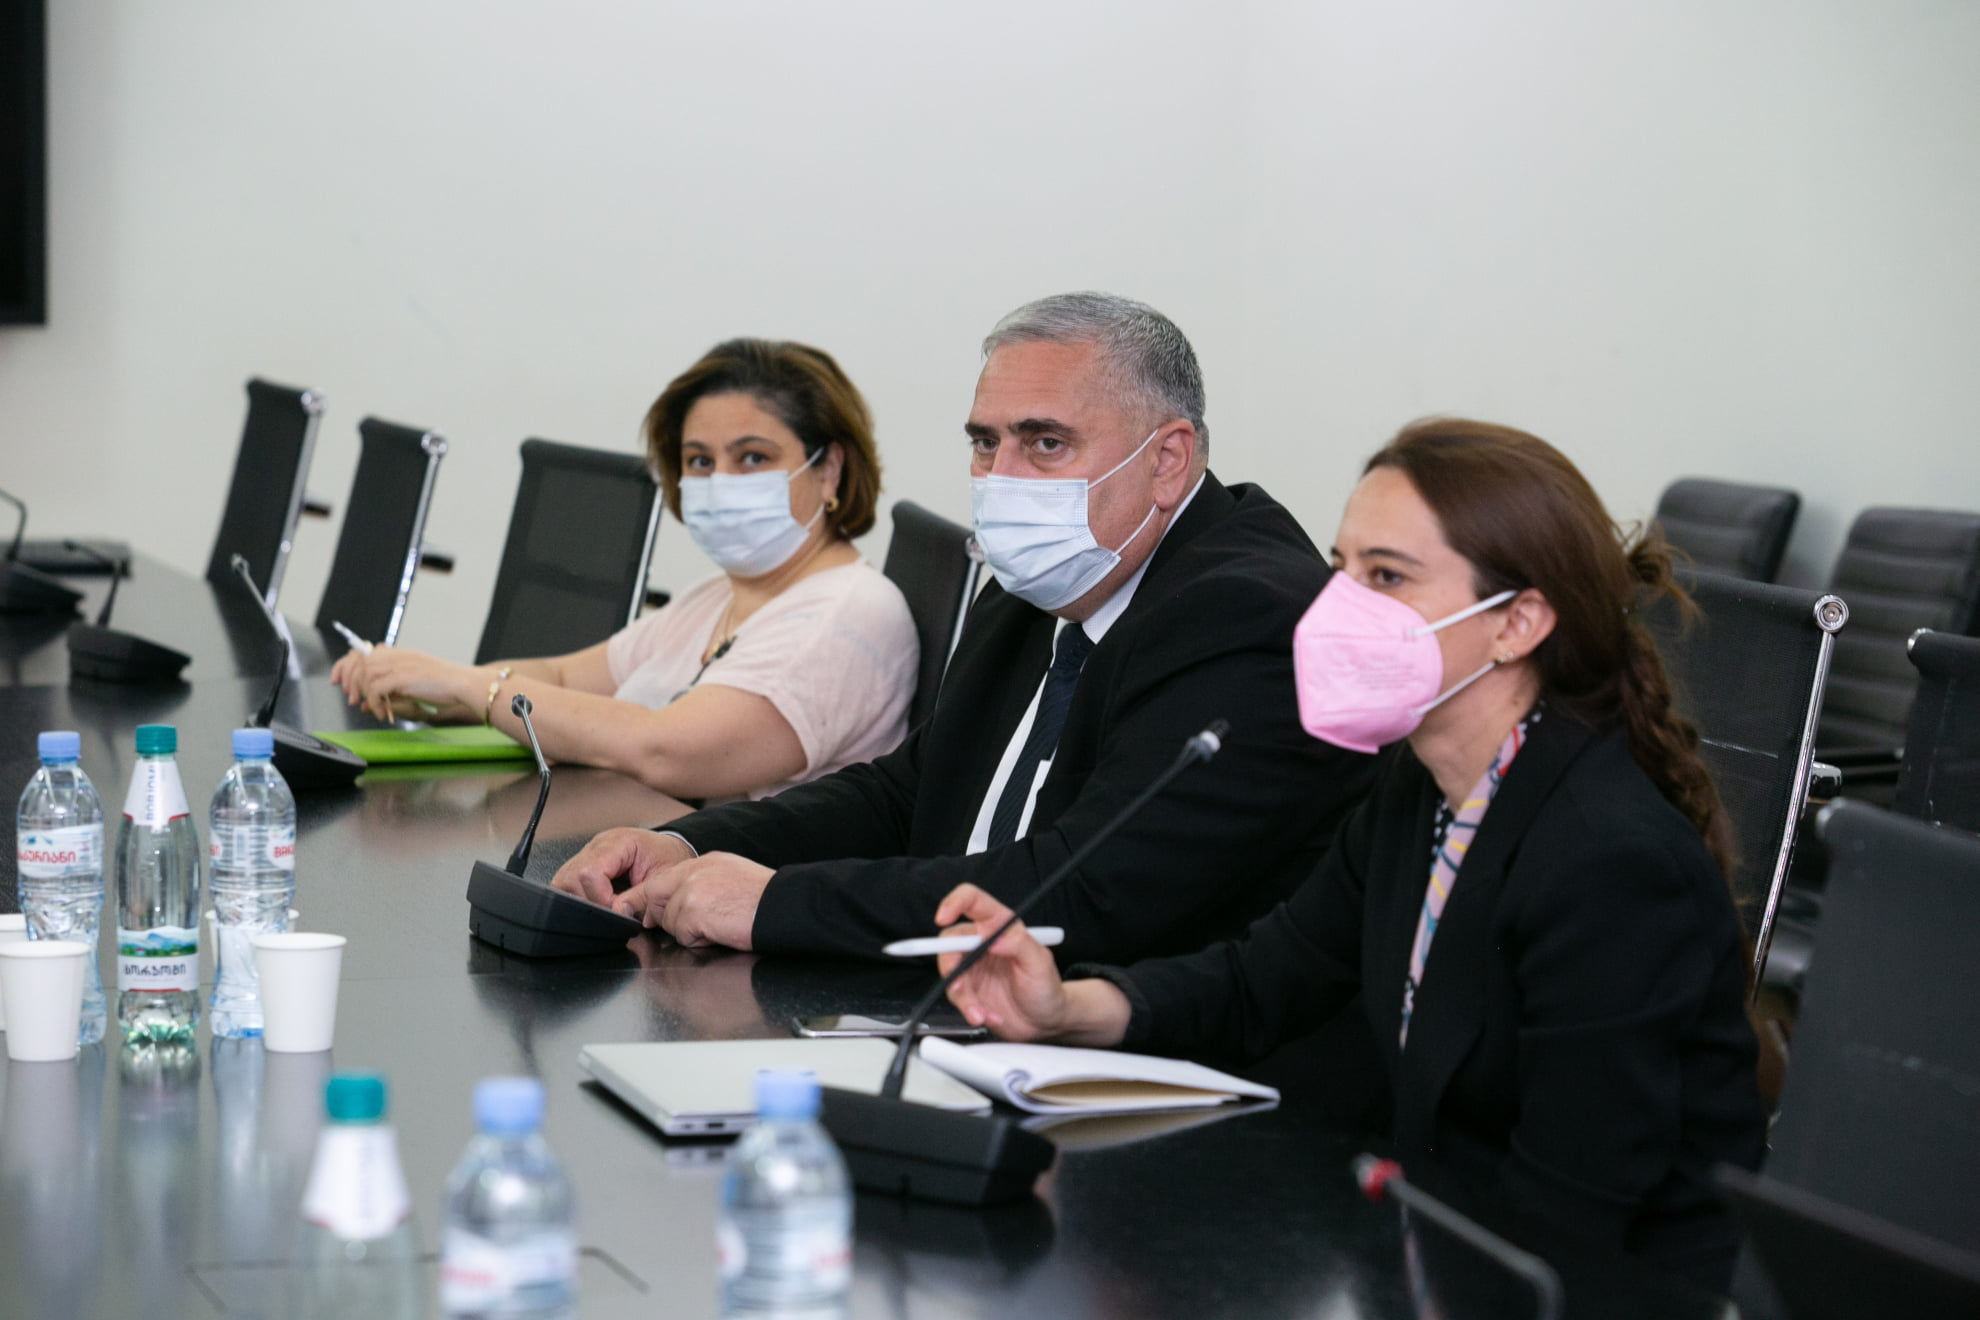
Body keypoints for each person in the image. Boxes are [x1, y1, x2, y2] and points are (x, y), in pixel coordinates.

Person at [932, 418, 1768, 1285]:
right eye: (1342, 568)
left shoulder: (1610, 865)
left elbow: (1571, 1216)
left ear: (1518, 623)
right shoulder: (1422, 789)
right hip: (1437, 1261)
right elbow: (1266, 978)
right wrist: (1066, 1008)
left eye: (1387, 577)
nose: (1338, 607)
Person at [552, 292, 1377, 963]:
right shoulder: (1046, 581)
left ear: (1167, 461)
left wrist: (774, 903)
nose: (1001, 480)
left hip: (1158, 1065)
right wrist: (690, 846)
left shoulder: (1246, 618)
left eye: (1045, 443)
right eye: (986, 443)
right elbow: (910, 793)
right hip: (970, 1012)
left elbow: (1082, 890)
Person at [328, 339, 918, 803]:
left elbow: (667, 750)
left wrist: (469, 688)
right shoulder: (717, 598)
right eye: (699, 460)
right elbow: (565, 678)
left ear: (829, 469)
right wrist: (431, 691)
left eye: (753, 457)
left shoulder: (849, 615)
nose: (720, 481)